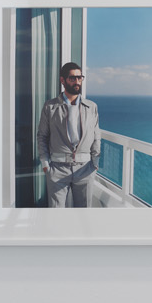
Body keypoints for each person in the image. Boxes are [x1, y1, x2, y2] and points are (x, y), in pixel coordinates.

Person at [37, 61, 100, 207]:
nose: (77, 81)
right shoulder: (50, 107)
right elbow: (42, 136)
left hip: (85, 168)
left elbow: (96, 135)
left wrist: (95, 162)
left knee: (83, 213)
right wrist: (45, 164)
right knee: (56, 213)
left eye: (79, 78)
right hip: (57, 168)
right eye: (72, 78)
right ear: (62, 80)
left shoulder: (91, 107)